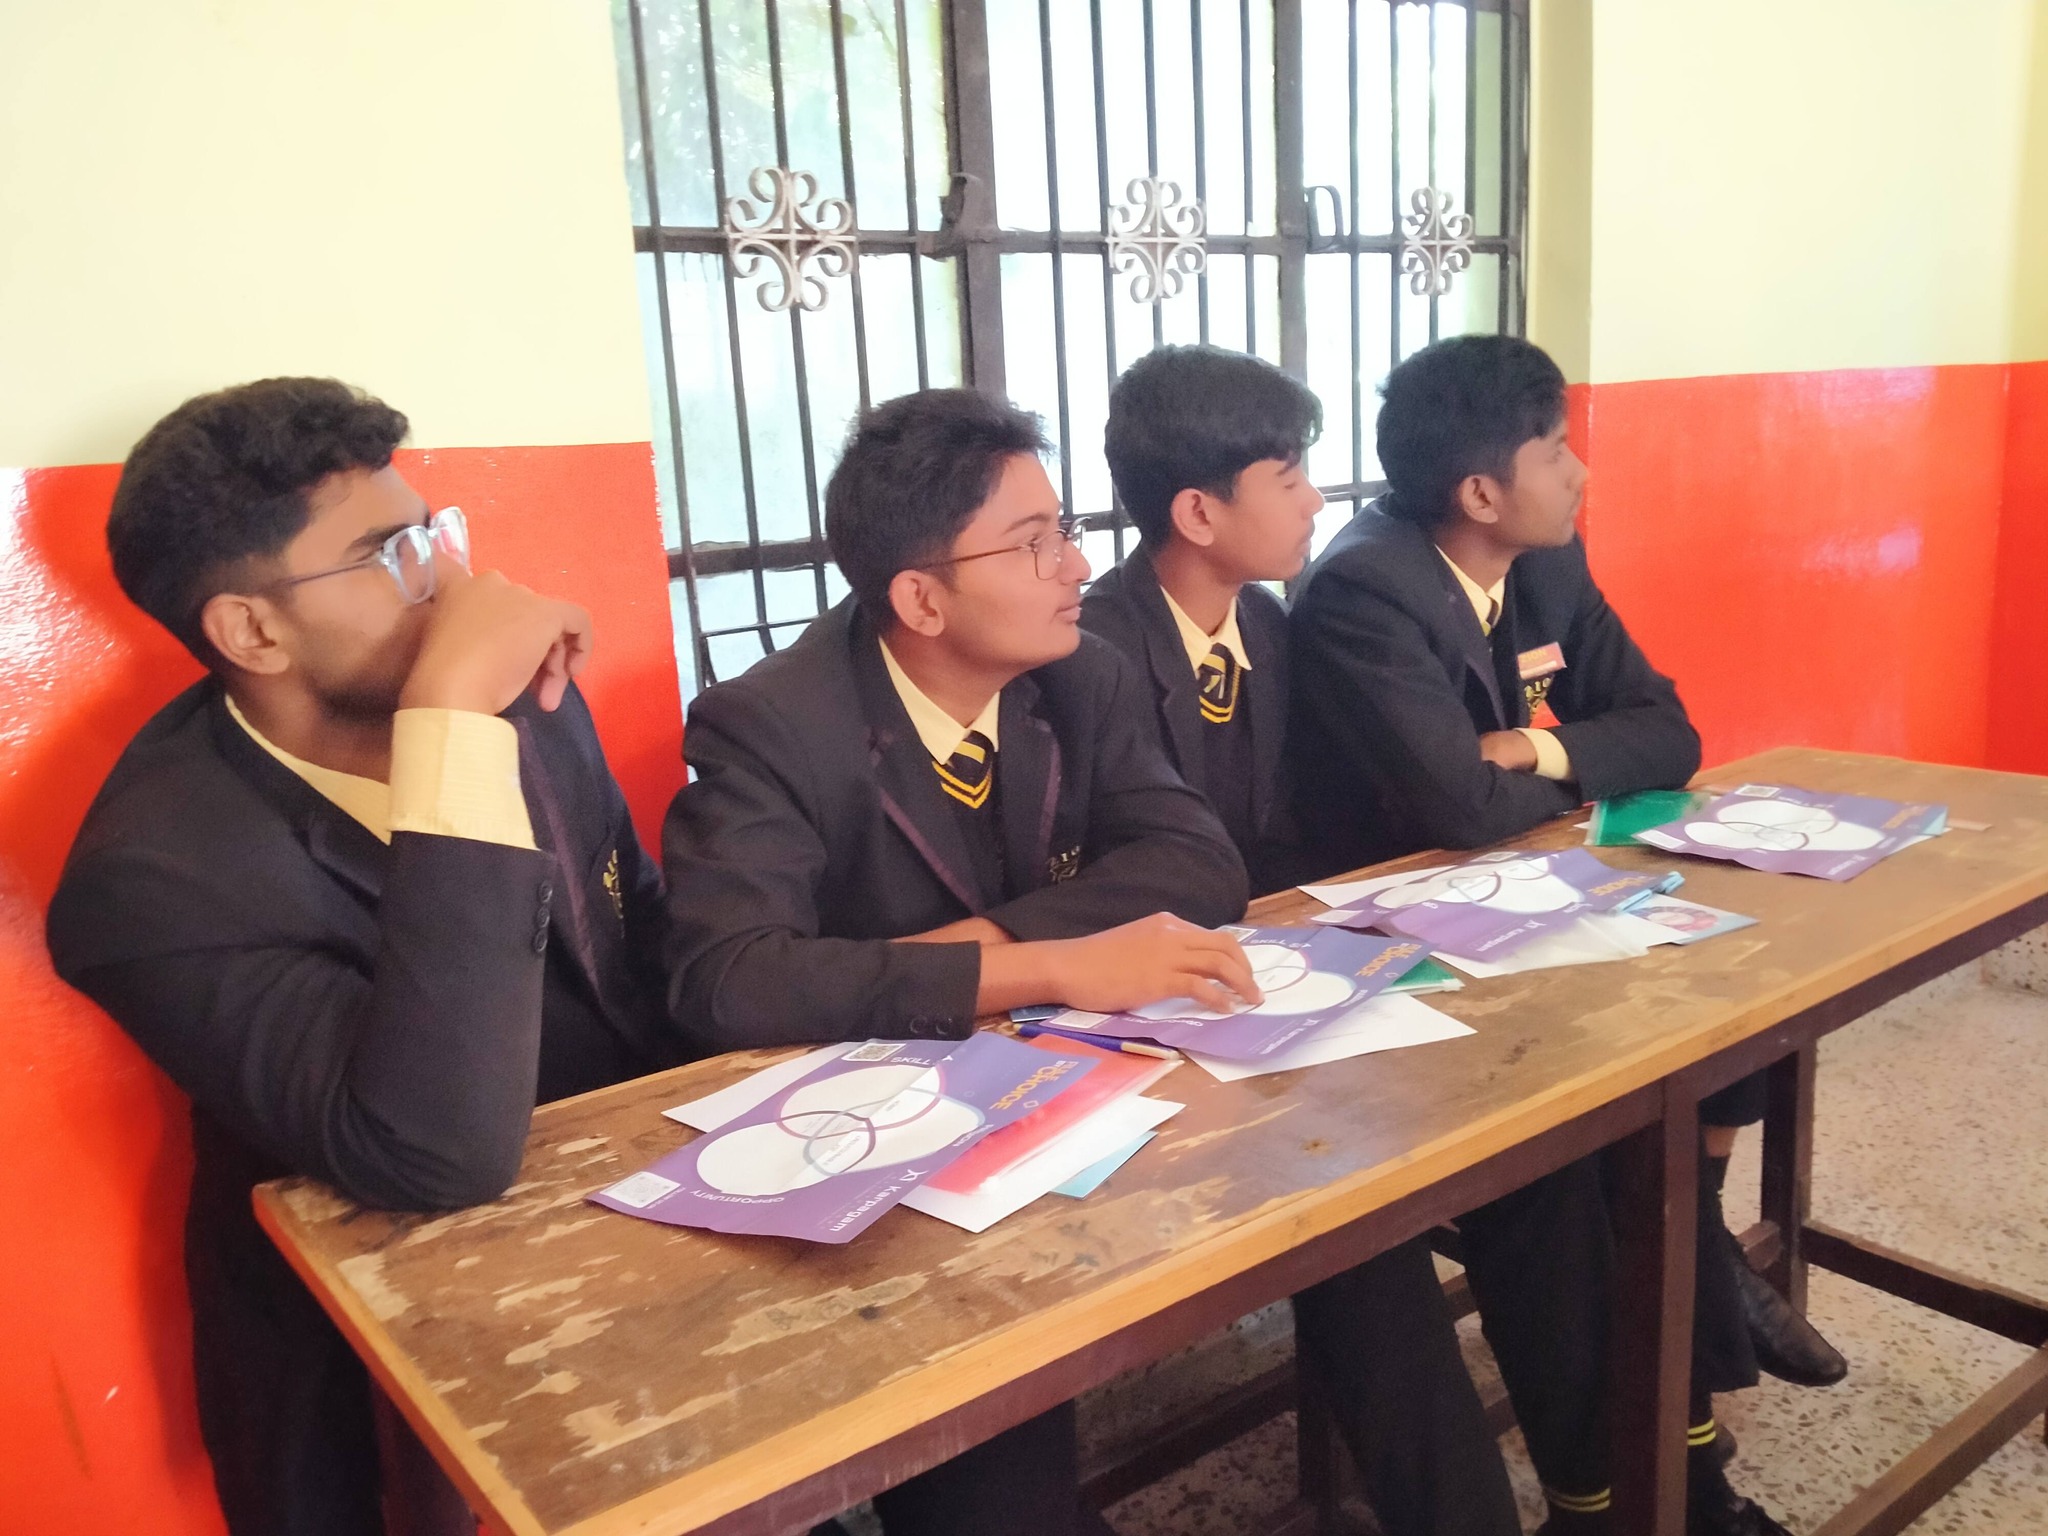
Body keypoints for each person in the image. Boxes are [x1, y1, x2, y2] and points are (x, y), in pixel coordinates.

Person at [46, 379, 680, 1536]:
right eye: (388, 555)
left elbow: (631, 929)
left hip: (628, 1240)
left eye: (432, 533)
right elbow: (430, 1151)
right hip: (381, 1368)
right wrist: (450, 721)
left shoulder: (518, 704)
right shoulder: (148, 883)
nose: (447, 580)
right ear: (251, 631)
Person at [661, 386, 1254, 1535]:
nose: (1076, 564)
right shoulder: (772, 724)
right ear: (920, 598)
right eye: (1033, 543)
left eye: (1062, 528)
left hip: (1056, 1108)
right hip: (865, 1163)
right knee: (995, 1458)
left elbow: (1196, 862)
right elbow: (726, 980)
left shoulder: (1076, 674)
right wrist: (1052, 967)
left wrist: (984, 950)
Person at [1292, 333, 1832, 1533]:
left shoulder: (1546, 563)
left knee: (1708, 1031)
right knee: (1578, 1164)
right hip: (1396, 963)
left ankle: (1680, 1473)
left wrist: (1533, 749)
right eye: (1553, 449)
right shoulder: (1363, 591)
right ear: (1479, 492)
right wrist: (1558, 778)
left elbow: (1668, 733)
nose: (1579, 471)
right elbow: (1450, 809)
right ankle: (1625, 1495)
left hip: (1524, 922)